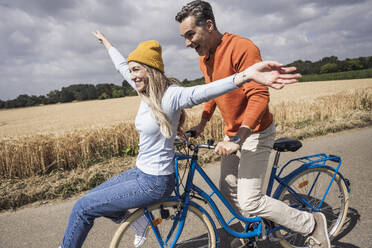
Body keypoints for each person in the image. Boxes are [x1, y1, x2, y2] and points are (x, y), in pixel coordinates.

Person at [58, 29, 299, 248]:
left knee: (82, 209)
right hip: (141, 172)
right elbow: (121, 65)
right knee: (88, 200)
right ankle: (137, 223)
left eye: (136, 70)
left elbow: (204, 91)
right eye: (130, 71)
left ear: (149, 70)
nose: (131, 76)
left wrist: (245, 76)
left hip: (154, 181)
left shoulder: (170, 95)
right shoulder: (144, 89)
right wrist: (106, 43)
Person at [175, 1, 330, 248]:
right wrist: (202, 124)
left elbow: (259, 97)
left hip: (256, 131)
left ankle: (311, 224)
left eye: (190, 34)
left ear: (209, 25)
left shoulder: (242, 47)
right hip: (234, 135)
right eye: (184, 37)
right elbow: (213, 93)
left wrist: (239, 139)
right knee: (228, 188)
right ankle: (255, 229)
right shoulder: (205, 58)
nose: (187, 43)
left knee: (250, 200)